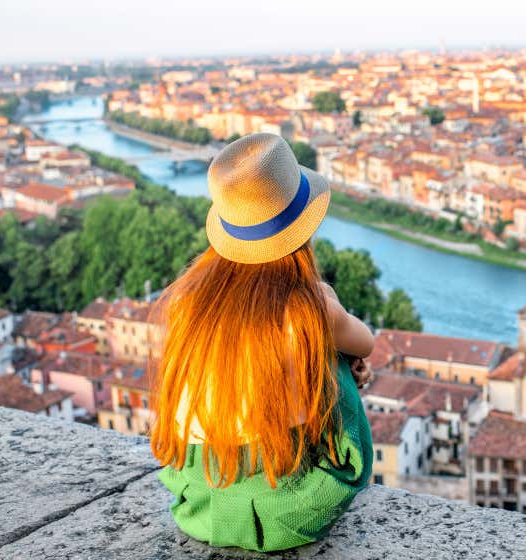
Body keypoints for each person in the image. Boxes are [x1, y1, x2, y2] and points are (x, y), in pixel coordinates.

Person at [150, 133, 374, 552]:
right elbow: (367, 344)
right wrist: (328, 305)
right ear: (302, 228)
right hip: (290, 506)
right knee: (328, 348)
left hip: (201, 498)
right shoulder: (310, 308)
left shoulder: (187, 302)